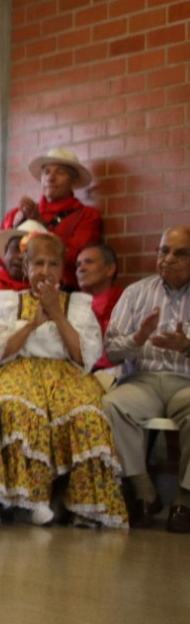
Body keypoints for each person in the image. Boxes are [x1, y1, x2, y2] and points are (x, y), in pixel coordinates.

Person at [0, 232, 126, 527]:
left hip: (65, 371)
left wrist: (57, 314)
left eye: (53, 264)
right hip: (18, 367)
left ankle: (83, 504)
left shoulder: (78, 305)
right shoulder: (10, 302)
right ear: (27, 267)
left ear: (62, 270)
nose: (45, 271)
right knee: (15, 406)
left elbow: (83, 356)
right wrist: (33, 324)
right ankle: (29, 497)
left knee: (87, 413)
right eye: (39, 264)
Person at [100, 226, 190, 532]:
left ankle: (185, 498)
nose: (168, 259)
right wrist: (139, 337)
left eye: (180, 253)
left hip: (186, 383)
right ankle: (143, 490)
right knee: (111, 405)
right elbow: (111, 352)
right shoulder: (136, 293)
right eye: (164, 251)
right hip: (143, 380)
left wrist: (186, 346)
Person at [0, 147, 103, 290]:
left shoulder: (87, 216)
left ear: (73, 180)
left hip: (59, 291)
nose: (51, 178)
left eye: (60, 172)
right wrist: (15, 230)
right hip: (13, 288)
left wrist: (40, 225)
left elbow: (75, 258)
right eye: (46, 172)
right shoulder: (17, 213)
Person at [77, 242, 125, 371]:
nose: (81, 268)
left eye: (89, 262)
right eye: (78, 264)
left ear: (110, 269)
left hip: (114, 370)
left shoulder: (125, 301)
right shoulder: (71, 303)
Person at [0, 220, 47, 300]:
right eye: (16, 248)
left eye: (28, 252)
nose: (20, 256)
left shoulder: (49, 294)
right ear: (6, 250)